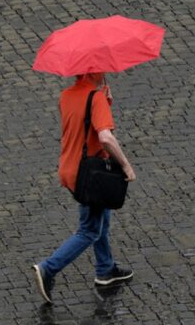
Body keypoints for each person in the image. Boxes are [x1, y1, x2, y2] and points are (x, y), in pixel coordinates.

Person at [33, 72, 136, 304]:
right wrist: (126, 165)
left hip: (69, 168)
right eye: (101, 67)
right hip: (89, 174)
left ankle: (105, 269)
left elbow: (83, 126)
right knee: (89, 229)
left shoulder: (66, 95)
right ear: (92, 71)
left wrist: (105, 103)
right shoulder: (95, 98)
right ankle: (48, 268)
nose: (105, 72)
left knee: (101, 216)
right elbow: (105, 138)